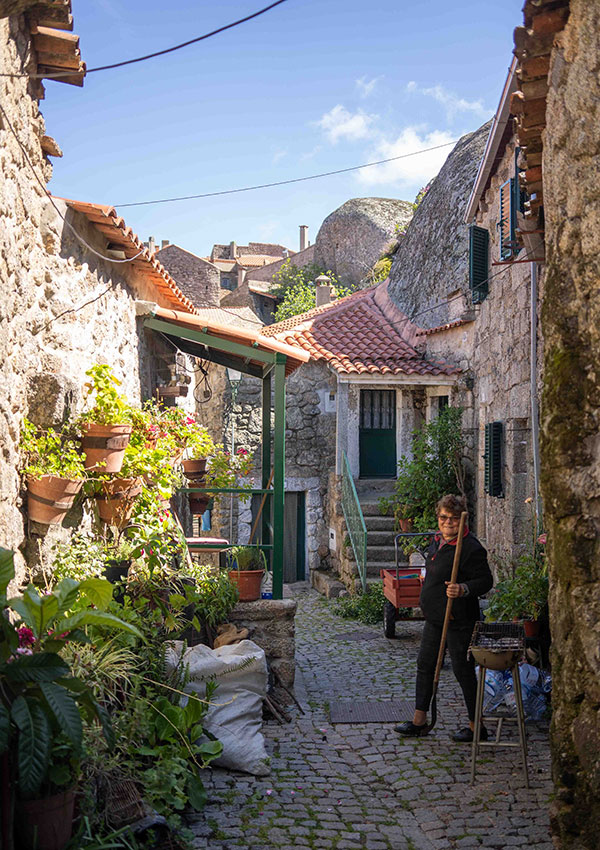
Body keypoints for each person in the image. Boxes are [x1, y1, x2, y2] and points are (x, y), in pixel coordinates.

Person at [396, 494, 493, 742]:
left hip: (459, 619)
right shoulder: (437, 541)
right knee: (425, 665)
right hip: (436, 618)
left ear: (462, 520)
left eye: (452, 519)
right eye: (443, 517)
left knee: (463, 670)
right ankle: (419, 721)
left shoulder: (470, 547)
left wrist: (463, 588)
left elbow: (485, 581)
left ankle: (476, 727)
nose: (447, 523)